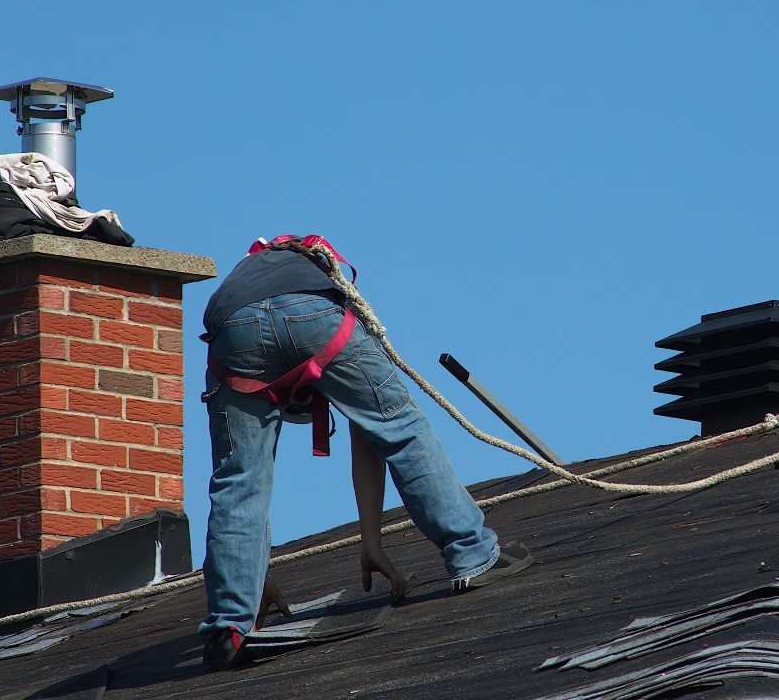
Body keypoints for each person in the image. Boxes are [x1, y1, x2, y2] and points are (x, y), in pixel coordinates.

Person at [198, 238, 533, 670]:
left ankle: (229, 626)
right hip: (312, 315)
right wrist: (262, 576)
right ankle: (471, 555)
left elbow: (243, 500)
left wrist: (245, 587)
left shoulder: (263, 272)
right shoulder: (311, 269)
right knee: (401, 428)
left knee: (238, 480)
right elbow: (374, 433)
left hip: (233, 330)